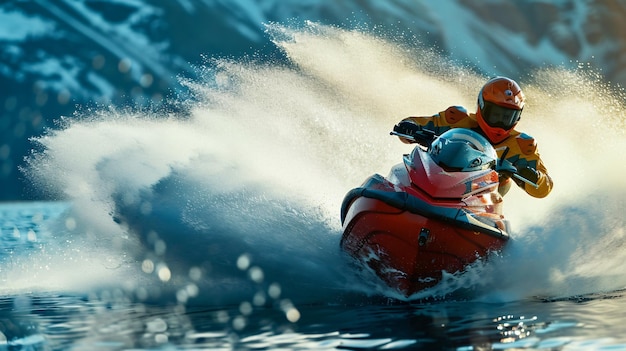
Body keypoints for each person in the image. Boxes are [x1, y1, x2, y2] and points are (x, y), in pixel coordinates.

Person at [393, 76, 553, 198]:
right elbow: (414, 123)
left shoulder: (522, 145)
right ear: (482, 106)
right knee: (401, 171)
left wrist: (534, 177)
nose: (500, 121)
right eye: (495, 114)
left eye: (507, 117)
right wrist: (409, 127)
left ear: (517, 117)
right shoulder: (456, 118)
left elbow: (544, 188)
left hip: (479, 201)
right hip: (430, 180)